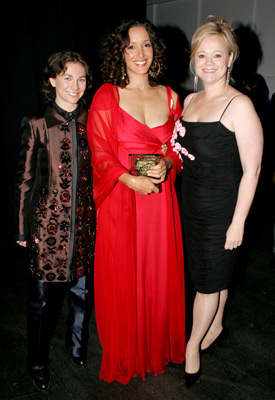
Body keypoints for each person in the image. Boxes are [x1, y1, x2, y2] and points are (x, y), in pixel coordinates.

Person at [87, 19, 186, 384]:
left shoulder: (172, 96)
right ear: (120, 52)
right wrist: (130, 179)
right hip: (122, 199)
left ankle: (157, 347)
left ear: (154, 49)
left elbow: (178, 149)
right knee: (125, 276)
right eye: (131, 46)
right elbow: (99, 153)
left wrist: (166, 163)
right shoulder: (106, 96)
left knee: (159, 272)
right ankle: (128, 351)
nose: (140, 54)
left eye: (146, 45)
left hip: (159, 203)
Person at [171, 15, 263, 388]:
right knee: (212, 273)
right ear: (194, 60)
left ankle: (192, 347)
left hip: (222, 208)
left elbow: (252, 170)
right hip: (190, 203)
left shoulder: (239, 105)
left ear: (230, 59)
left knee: (206, 283)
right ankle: (218, 324)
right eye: (202, 56)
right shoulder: (190, 100)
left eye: (217, 56)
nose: (209, 63)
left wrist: (238, 221)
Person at [14, 50, 96, 393]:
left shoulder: (92, 121)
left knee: (82, 291)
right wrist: (21, 228)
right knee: (43, 300)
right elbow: (25, 180)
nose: (75, 86)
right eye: (67, 77)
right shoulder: (36, 123)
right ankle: (36, 361)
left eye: (80, 79)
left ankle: (76, 345)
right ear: (52, 81)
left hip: (85, 224)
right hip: (47, 227)